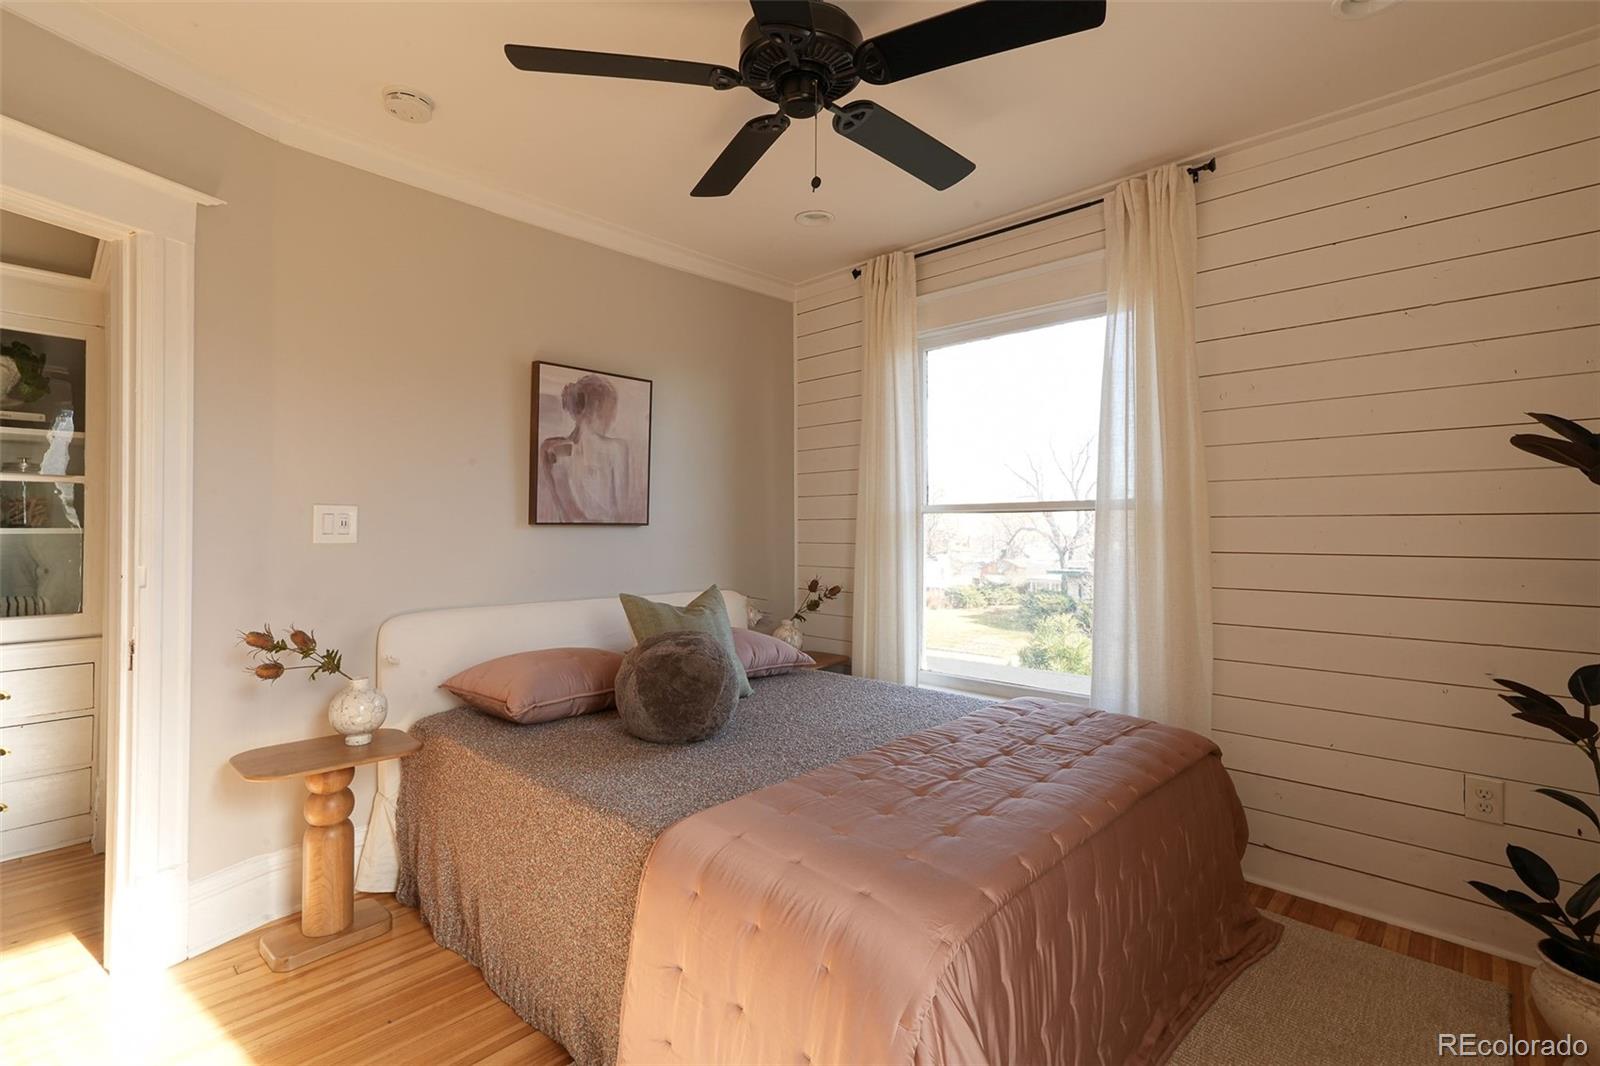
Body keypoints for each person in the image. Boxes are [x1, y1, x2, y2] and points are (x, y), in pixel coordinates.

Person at [536, 372, 643, 523]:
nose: (612, 418)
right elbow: (620, 512)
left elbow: (567, 514)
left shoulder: (551, 449)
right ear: (598, 408)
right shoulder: (618, 449)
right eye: (611, 410)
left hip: (568, 538)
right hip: (607, 538)